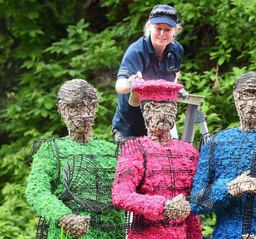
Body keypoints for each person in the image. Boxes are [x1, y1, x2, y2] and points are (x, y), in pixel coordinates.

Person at [190, 72, 256, 239]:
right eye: (245, 96)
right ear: (236, 99)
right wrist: (228, 188)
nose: (252, 104)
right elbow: (197, 202)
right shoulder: (214, 143)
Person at [26, 79, 125, 239]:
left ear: (96, 107)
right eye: (76, 108)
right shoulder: (52, 150)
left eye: (90, 106)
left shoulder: (112, 150)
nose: (85, 115)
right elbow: (37, 190)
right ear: (62, 109)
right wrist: (64, 217)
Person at [111, 80, 202, 239]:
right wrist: (161, 206)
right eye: (155, 107)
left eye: (169, 107)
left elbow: (192, 208)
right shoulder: (134, 148)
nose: (163, 114)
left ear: (175, 111)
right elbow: (120, 195)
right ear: (145, 111)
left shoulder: (189, 151)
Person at [113, 3, 184, 142]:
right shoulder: (136, 51)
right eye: (158, 28)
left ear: (175, 31)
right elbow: (119, 86)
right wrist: (131, 82)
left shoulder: (177, 50)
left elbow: (175, 76)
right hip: (130, 129)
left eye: (168, 29)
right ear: (149, 27)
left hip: (160, 129)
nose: (162, 34)